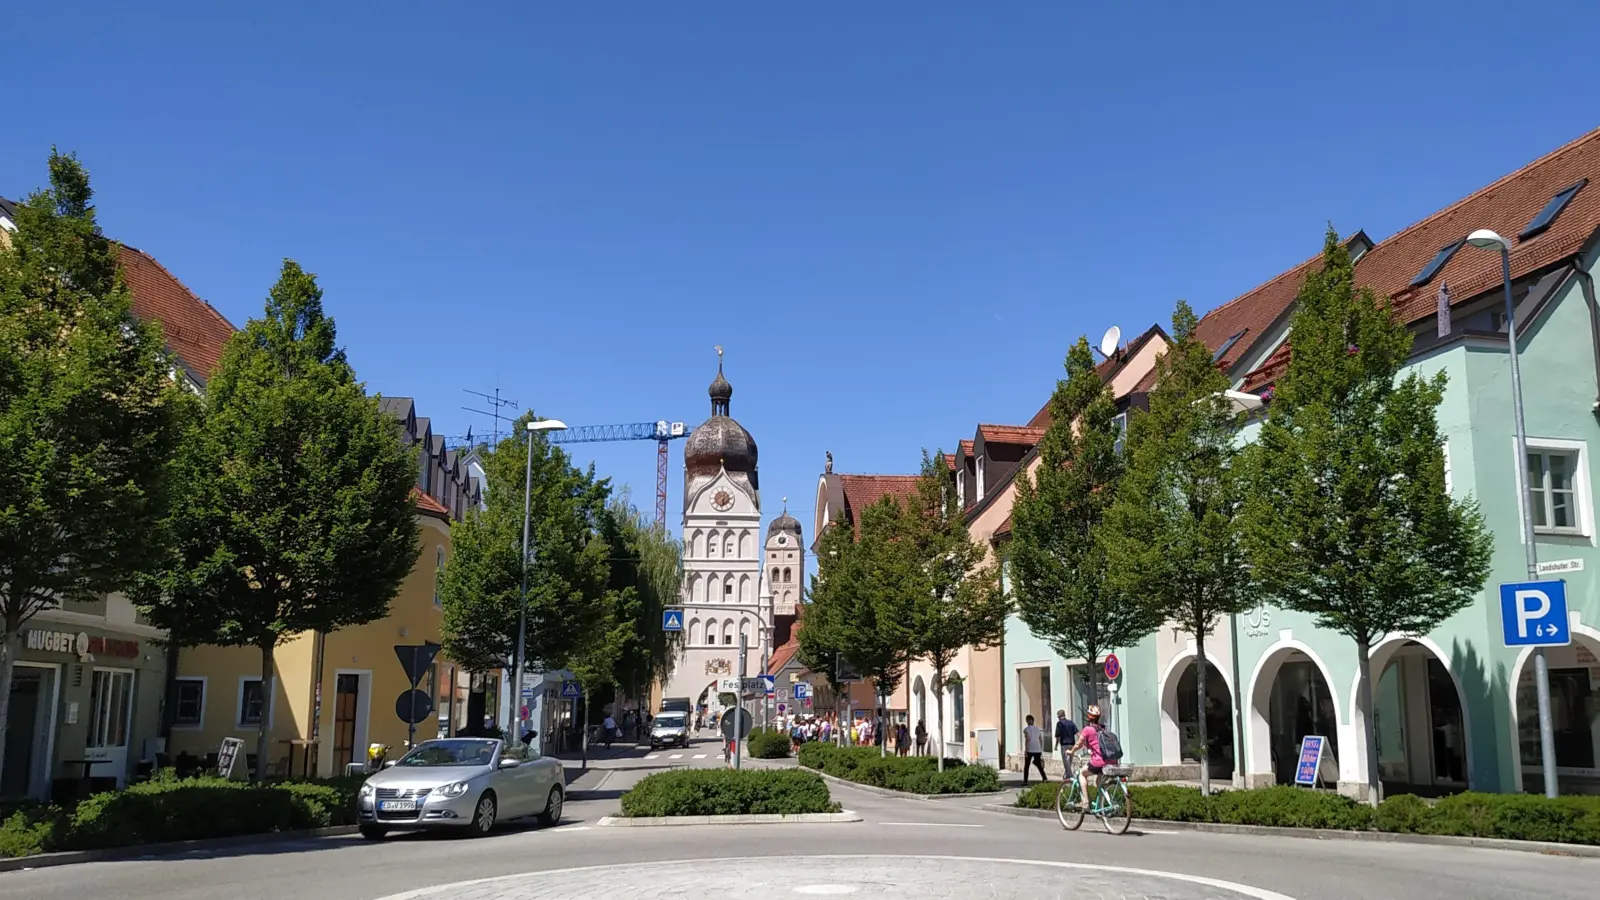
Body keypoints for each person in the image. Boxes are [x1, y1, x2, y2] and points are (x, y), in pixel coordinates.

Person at [1066, 704, 1107, 810]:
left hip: (1098, 761)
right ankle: (1101, 804)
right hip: (1109, 761)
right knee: (1099, 781)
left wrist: (1071, 751)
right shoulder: (1103, 728)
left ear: (1088, 716)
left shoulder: (1088, 729)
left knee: (1082, 774)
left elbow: (1078, 744)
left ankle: (1086, 802)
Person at [1021, 714, 1047, 784]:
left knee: (1026, 766)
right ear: (1033, 721)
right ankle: (1044, 778)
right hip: (1037, 749)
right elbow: (1040, 739)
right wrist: (1040, 749)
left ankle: (1025, 781)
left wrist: (1026, 751)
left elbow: (1028, 740)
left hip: (1030, 749)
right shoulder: (1038, 729)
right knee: (1039, 765)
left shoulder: (1026, 730)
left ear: (1027, 721)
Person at [1054, 709, 1079, 775]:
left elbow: (1058, 736)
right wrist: (1081, 741)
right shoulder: (1071, 722)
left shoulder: (1059, 723)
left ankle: (1069, 776)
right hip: (1072, 744)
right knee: (1069, 761)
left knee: (1066, 762)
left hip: (1064, 745)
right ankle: (1066, 775)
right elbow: (1077, 733)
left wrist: (1056, 745)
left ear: (1059, 716)